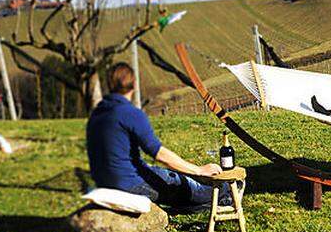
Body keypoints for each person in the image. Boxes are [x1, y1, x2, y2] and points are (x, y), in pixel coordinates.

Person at [86, 63, 229, 208]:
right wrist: (199, 170)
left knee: (166, 175)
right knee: (190, 187)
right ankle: (225, 192)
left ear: (109, 84)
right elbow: (158, 153)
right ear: (134, 84)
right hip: (130, 183)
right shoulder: (129, 113)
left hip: (104, 181)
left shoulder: (97, 113)